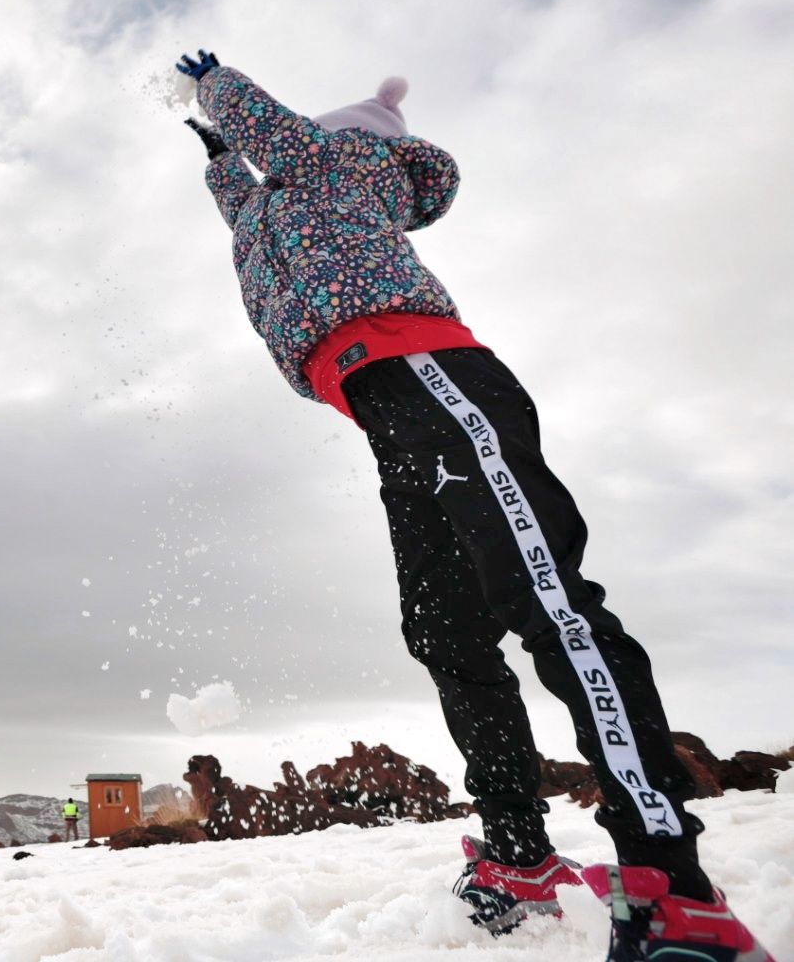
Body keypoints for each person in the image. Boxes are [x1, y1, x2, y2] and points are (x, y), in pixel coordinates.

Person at [174, 50, 773, 962]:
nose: (267, 167)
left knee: (547, 601)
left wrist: (218, 84)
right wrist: (219, 159)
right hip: (382, 408)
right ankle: (520, 860)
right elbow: (245, 213)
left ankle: (670, 887)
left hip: (436, 376)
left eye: (280, 150)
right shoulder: (282, 198)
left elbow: (278, 138)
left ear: (341, 142)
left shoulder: (338, 163)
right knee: (446, 635)